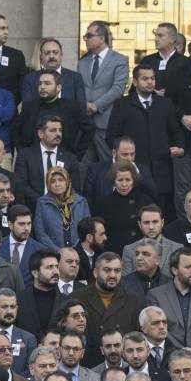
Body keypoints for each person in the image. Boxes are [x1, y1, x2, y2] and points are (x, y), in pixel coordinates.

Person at [79, 21, 130, 162]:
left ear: (101, 38)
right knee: (84, 169)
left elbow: (118, 89)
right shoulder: (82, 62)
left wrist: (96, 106)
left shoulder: (120, 60)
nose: (85, 39)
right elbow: (79, 88)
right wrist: (85, 106)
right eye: (85, 36)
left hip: (106, 124)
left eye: (89, 36)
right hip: (84, 124)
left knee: (108, 167)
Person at [35, 166, 89, 249]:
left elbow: (87, 229)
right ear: (48, 184)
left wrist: (76, 249)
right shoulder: (42, 203)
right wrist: (58, 251)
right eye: (53, 181)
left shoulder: (81, 201)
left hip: (78, 252)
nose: (57, 184)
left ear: (67, 181)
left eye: (61, 180)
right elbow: (40, 233)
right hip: (53, 253)